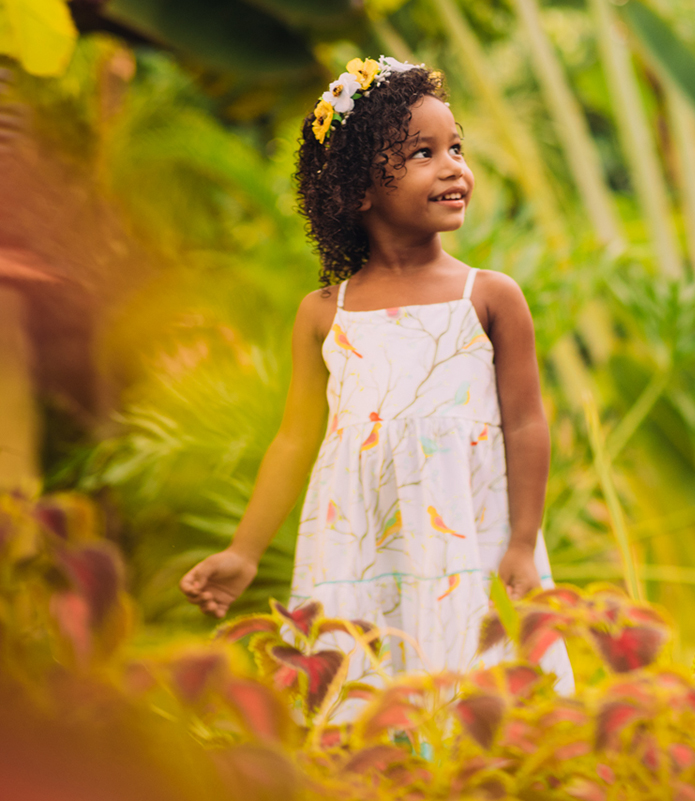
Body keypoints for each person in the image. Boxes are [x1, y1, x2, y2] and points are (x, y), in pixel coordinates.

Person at [178, 57, 573, 696]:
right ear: (357, 190)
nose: (454, 167)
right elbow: (294, 441)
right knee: (367, 701)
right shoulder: (323, 315)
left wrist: (523, 543)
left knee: (482, 699)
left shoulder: (489, 297)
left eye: (456, 147)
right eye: (423, 153)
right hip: (356, 554)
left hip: (470, 549)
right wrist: (243, 552)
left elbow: (526, 423)